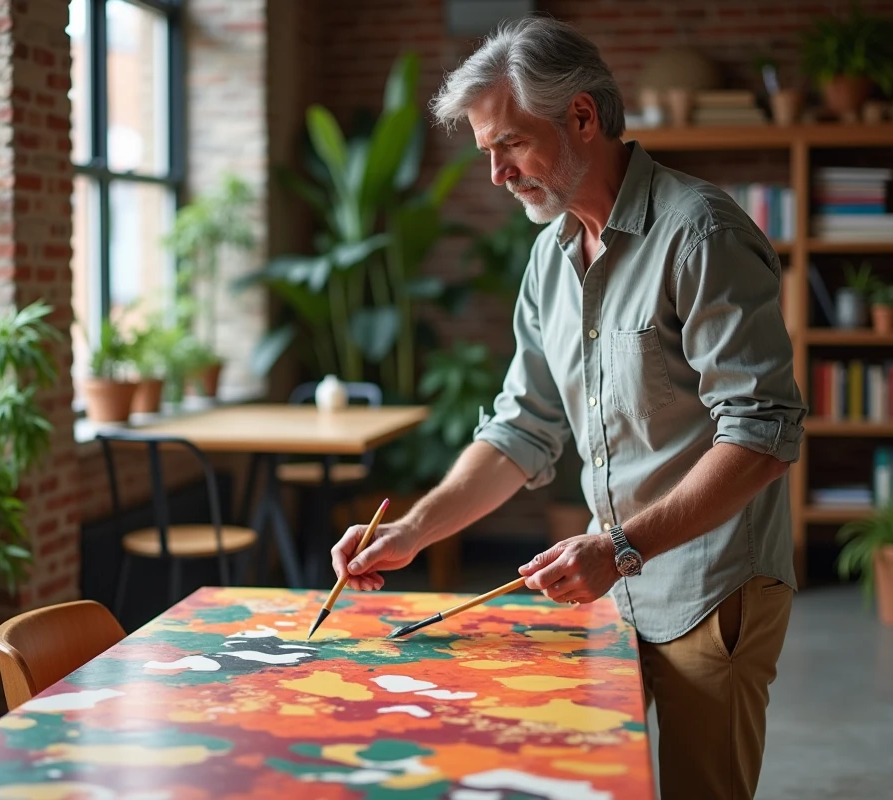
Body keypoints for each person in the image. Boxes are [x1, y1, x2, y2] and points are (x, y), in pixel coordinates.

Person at [329, 15, 807, 800]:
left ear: (582, 116)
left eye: (510, 144)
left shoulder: (701, 235)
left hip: (711, 587)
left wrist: (619, 546)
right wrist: (411, 530)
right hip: (609, 586)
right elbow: (522, 429)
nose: (495, 174)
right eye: (486, 152)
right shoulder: (548, 257)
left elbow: (761, 436)